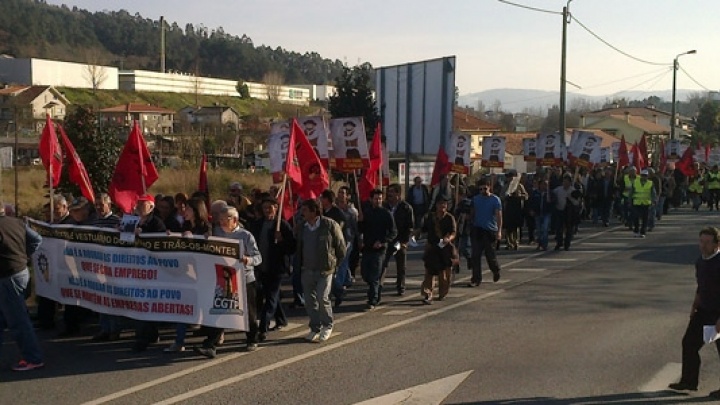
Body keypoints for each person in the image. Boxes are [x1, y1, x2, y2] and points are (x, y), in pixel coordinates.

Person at [194, 206, 262, 357]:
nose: (222, 223)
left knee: (248, 313)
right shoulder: (217, 232)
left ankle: (252, 338)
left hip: (244, 279)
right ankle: (210, 344)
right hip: (224, 279)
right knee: (220, 310)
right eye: (221, 220)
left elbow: (258, 258)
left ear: (235, 220)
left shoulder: (245, 236)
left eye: (226, 220)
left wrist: (247, 259)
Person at [669, 227, 720, 398]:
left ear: (717, 244)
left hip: (718, 314)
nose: (703, 246)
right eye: (701, 241)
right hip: (704, 311)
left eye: (707, 242)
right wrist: (694, 306)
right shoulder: (701, 261)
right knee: (689, 344)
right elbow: (702, 287)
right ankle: (689, 381)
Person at [0, 201, 44, 371]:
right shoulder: (17, 222)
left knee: (18, 320)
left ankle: (33, 358)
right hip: (20, 271)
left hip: (8, 277)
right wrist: (24, 255)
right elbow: (37, 239)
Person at [165, 197, 211, 353]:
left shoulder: (206, 228)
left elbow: (209, 249)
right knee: (182, 307)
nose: (185, 212)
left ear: (197, 211)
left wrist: (195, 241)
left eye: (189, 209)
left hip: (203, 274)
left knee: (206, 305)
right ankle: (179, 341)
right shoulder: (184, 225)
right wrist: (171, 236)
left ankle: (216, 334)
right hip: (186, 274)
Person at [296, 199, 346, 342]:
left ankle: (327, 325)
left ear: (314, 211)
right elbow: (298, 247)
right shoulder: (302, 228)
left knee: (322, 297)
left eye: (305, 210)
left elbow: (341, 247)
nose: (302, 213)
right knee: (310, 301)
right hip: (307, 269)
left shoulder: (329, 225)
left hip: (325, 269)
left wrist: (336, 264)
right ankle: (314, 327)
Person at [253, 197, 296, 342]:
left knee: (270, 297)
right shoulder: (258, 225)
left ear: (276, 208)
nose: (267, 210)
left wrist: (282, 240)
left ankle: (263, 328)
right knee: (270, 295)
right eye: (265, 208)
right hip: (261, 267)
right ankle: (281, 319)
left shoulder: (282, 225)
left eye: (270, 207)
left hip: (276, 268)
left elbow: (292, 248)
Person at [132, 194, 167, 352]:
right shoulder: (132, 220)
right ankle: (149, 334)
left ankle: (144, 337)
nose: (139, 206)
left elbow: (159, 243)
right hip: (136, 269)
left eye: (143, 204)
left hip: (152, 270)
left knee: (147, 303)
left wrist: (143, 235)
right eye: (138, 203)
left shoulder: (157, 223)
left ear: (151, 207)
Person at [358, 189, 397, 310]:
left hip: (379, 250)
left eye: (380, 198)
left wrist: (383, 241)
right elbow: (361, 229)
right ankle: (376, 289)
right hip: (367, 248)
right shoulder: (367, 212)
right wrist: (360, 221)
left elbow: (393, 232)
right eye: (376, 198)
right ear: (371, 199)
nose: (378, 200)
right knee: (365, 274)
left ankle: (372, 300)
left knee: (375, 275)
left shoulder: (386, 214)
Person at [420, 196, 456, 304]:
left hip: (444, 249)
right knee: (429, 273)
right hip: (432, 248)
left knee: (443, 274)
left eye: (444, 204)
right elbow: (423, 229)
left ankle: (442, 293)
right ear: (436, 205)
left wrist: (448, 238)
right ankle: (428, 294)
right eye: (440, 204)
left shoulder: (450, 218)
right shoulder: (430, 217)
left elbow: (454, 232)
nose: (442, 206)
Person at [382, 184, 414, 296]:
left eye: (391, 192)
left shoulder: (406, 208)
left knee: (401, 266)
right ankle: (378, 286)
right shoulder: (384, 207)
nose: (389, 194)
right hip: (386, 240)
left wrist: (404, 241)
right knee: (382, 264)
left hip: (400, 240)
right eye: (388, 192)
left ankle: (401, 286)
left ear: (398, 194)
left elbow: (410, 226)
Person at [469, 178, 502, 286]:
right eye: (481, 189)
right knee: (475, 255)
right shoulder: (475, 199)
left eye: (485, 188)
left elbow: (498, 216)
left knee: (490, 255)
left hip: (490, 230)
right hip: (478, 229)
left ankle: (495, 270)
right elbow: (472, 213)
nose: (483, 191)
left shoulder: (495, 200)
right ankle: (476, 278)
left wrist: (499, 231)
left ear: (489, 187)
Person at [334, 186, 358, 307]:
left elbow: (355, 228)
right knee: (343, 262)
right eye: (339, 192)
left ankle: (339, 287)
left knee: (342, 262)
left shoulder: (352, 212)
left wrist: (358, 240)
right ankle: (348, 279)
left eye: (343, 193)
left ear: (348, 196)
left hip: (347, 240)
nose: (340, 195)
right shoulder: (335, 209)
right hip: (336, 241)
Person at [552, 175, 582, 251]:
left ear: (570, 182)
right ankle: (559, 242)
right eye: (564, 182)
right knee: (559, 228)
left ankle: (567, 244)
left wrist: (571, 198)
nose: (565, 183)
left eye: (567, 182)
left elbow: (576, 203)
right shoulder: (558, 190)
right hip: (559, 211)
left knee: (569, 229)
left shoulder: (572, 190)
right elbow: (551, 195)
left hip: (569, 212)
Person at [528, 178, 553, 251]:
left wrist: (550, 203)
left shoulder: (549, 193)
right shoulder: (535, 193)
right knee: (538, 230)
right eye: (542, 184)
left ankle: (544, 244)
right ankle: (540, 244)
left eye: (546, 184)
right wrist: (531, 210)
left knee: (545, 229)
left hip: (546, 214)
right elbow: (530, 202)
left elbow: (553, 203)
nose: (544, 186)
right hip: (537, 213)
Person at [630, 170, 655, 238]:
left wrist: (653, 201)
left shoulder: (650, 183)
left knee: (645, 219)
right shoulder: (635, 182)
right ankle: (636, 231)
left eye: (645, 176)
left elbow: (653, 193)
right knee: (636, 218)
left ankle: (643, 232)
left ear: (648, 176)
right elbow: (631, 192)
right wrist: (630, 200)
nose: (644, 177)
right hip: (636, 203)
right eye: (643, 175)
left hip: (646, 203)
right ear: (641, 176)